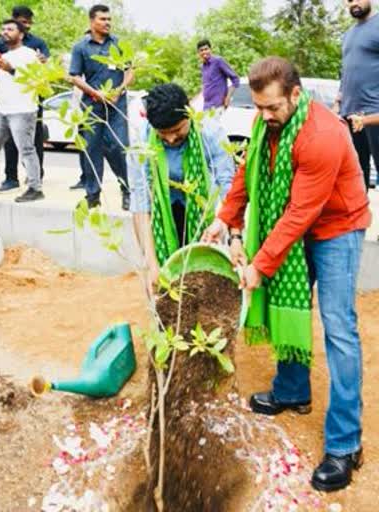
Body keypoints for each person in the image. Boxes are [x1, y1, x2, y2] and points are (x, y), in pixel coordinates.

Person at [202, 57, 370, 492]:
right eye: (258, 108)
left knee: (338, 328)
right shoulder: (268, 124)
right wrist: (225, 218)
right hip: (298, 225)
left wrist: (260, 264)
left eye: (272, 108)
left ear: (296, 95)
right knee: (287, 303)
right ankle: (293, 390)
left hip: (335, 229)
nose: (264, 116)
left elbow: (301, 212)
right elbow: (247, 171)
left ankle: (345, 444)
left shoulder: (323, 135)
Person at [130, 83, 235, 291]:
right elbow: (141, 203)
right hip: (164, 211)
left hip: (201, 210)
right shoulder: (142, 141)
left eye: (177, 130)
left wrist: (226, 228)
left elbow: (228, 188)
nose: (170, 138)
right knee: (166, 272)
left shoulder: (210, 132)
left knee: (203, 275)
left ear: (188, 114)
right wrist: (151, 264)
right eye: (163, 134)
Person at [69, 4, 134, 209]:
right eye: (103, 19)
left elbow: (130, 70)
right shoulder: (80, 47)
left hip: (117, 105)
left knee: (118, 146)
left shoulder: (119, 44)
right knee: (92, 149)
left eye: (109, 19)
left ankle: (126, 190)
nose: (107, 23)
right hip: (92, 106)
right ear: (92, 21)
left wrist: (119, 90)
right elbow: (74, 76)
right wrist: (95, 93)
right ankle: (93, 195)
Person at [0, 5, 49, 191]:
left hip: (28, 101)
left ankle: (35, 178)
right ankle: (11, 178)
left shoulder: (37, 44)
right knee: (7, 143)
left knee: (33, 141)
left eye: (28, 23)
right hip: (5, 102)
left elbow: (43, 68)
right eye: (23, 23)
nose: (27, 26)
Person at [332, 0, 379, 190]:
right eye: (349, 0)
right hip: (350, 114)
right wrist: (338, 101)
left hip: (374, 113)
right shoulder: (349, 35)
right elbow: (347, 72)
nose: (354, 3)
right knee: (356, 176)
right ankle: (359, 219)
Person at [197, 38, 240, 113]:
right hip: (206, 107)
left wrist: (228, 97)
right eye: (201, 50)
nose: (204, 52)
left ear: (210, 49)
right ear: (198, 53)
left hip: (218, 106)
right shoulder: (202, 67)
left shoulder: (218, 61)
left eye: (206, 49)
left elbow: (235, 79)